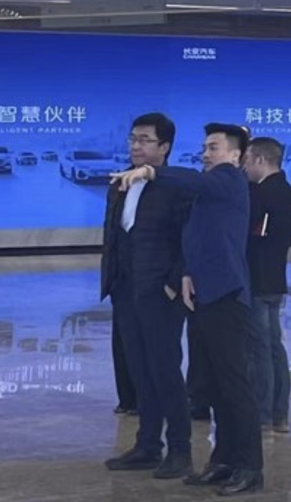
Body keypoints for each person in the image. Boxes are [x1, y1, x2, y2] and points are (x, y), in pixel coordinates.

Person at [112, 123, 263, 496]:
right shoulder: (209, 189)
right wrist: (186, 274)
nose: (206, 154)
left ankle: (250, 467)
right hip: (203, 295)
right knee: (213, 386)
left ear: (236, 155)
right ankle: (223, 461)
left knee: (234, 386)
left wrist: (151, 172)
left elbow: (195, 182)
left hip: (227, 297)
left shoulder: (229, 180)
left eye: (214, 147)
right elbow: (197, 238)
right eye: (205, 147)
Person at [101, 113, 191, 480]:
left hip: (160, 294)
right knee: (139, 370)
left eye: (144, 140)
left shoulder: (176, 186)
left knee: (164, 371)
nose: (136, 146)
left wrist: (172, 283)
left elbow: (188, 239)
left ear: (164, 147)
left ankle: (180, 450)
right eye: (133, 139)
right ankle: (147, 445)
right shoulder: (120, 182)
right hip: (126, 290)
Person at [242, 137, 291, 434]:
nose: (245, 167)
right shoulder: (287, 190)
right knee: (274, 346)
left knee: (259, 349)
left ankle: (262, 414)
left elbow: (252, 235)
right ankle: (279, 414)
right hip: (275, 278)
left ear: (261, 160)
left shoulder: (262, 193)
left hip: (257, 279)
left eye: (247, 161)